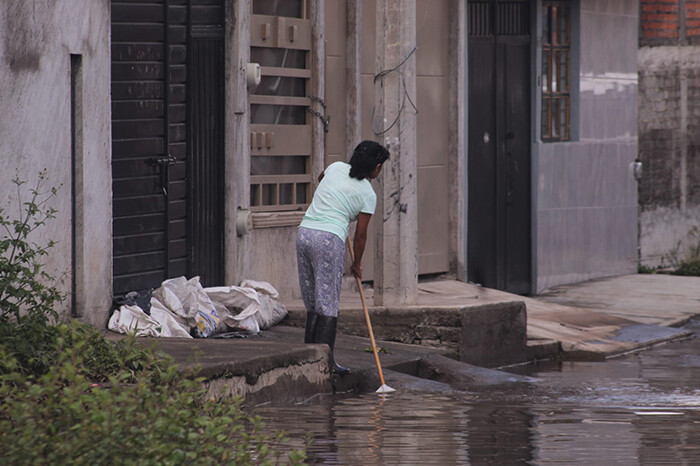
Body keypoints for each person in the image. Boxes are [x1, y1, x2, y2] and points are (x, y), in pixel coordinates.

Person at [296, 140, 390, 375]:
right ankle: (324, 365)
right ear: (376, 167)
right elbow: (360, 236)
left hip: (304, 233)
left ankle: (308, 360)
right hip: (328, 239)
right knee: (327, 303)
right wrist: (356, 264)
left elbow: (321, 179)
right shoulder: (368, 193)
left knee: (314, 302)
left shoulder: (335, 167)